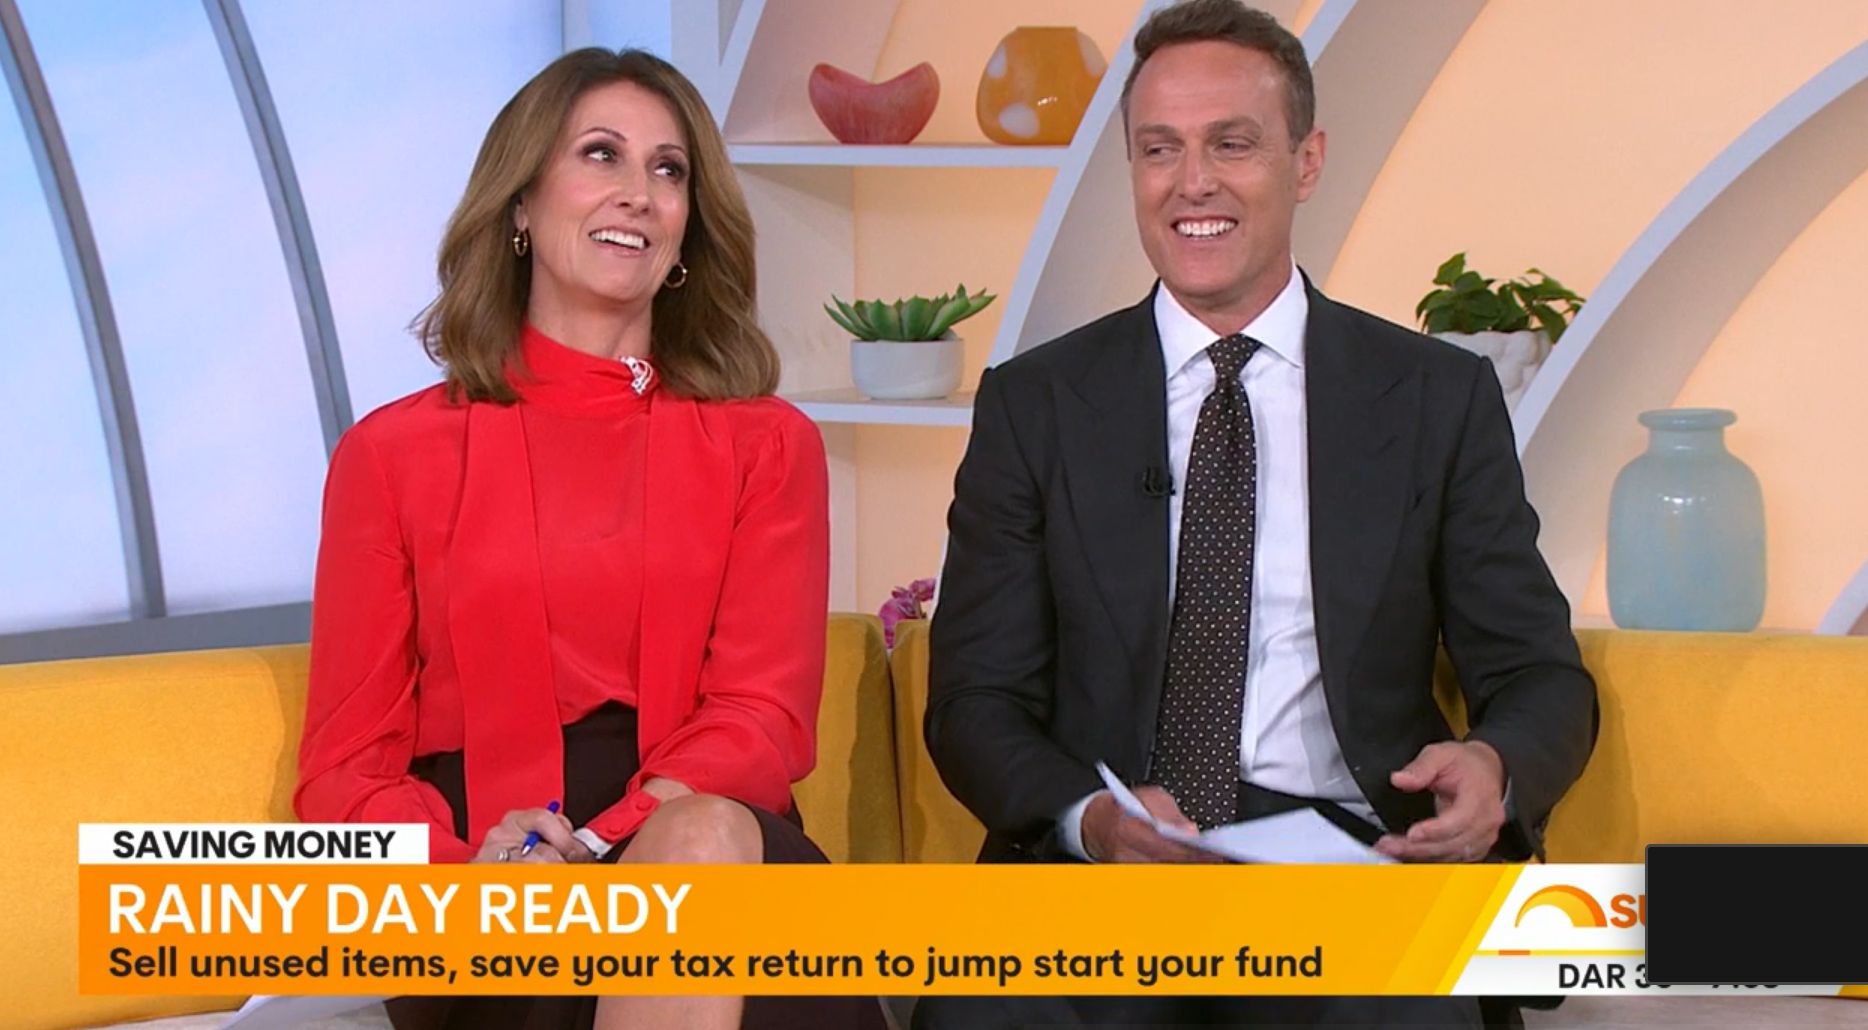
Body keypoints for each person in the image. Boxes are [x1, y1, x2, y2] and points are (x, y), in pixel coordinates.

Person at [918, 2, 1598, 1026]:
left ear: (1305, 160)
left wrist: (1493, 766)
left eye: (1230, 144)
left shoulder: (1432, 399)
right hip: (1112, 866)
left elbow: (1539, 674)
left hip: (1355, 855)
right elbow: (974, 700)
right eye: (1160, 149)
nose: (1191, 182)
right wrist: (1090, 816)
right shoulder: (1036, 405)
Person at [294, 47, 884, 1030]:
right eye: (601, 154)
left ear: (687, 227)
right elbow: (345, 768)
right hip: (486, 884)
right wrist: (474, 868)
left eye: (668, 169)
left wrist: (611, 840)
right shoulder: (389, 454)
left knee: (699, 847)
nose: (638, 193)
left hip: (708, 843)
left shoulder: (766, 444)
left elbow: (761, 716)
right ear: (520, 203)